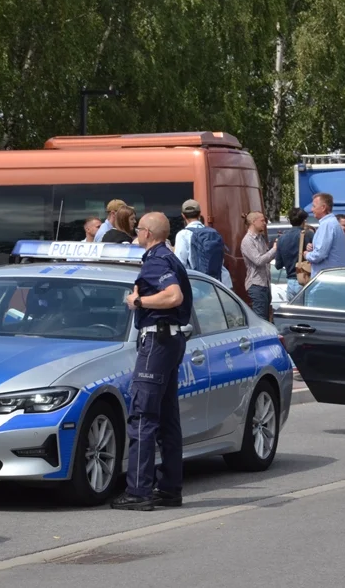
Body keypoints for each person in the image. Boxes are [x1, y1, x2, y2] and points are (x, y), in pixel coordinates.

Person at [111, 212, 193, 511]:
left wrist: (138, 302)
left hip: (157, 342)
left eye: (138, 229)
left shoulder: (156, 260)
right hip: (170, 341)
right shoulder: (168, 257)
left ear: (148, 233)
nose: (136, 232)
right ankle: (169, 489)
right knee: (167, 419)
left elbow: (173, 296)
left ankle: (139, 491)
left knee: (143, 417)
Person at [173, 201, 234, 290]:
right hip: (221, 284)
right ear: (199, 214)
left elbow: (180, 262)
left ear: (183, 215)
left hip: (198, 285)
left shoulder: (183, 234)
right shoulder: (213, 232)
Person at [241, 211, 278, 321]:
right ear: (253, 222)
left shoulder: (260, 238)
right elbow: (258, 260)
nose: (265, 223)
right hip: (256, 284)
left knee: (265, 318)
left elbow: (266, 258)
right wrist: (274, 249)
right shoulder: (247, 241)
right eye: (262, 220)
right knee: (260, 319)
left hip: (265, 284)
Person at [275, 207, 315, 301]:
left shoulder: (281, 239)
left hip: (290, 283)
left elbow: (278, 265)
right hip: (305, 280)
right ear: (304, 220)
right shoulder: (308, 235)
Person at [304, 193, 345, 276]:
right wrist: (313, 247)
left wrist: (307, 254)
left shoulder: (327, 225)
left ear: (323, 207)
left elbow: (319, 254)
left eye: (314, 206)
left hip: (327, 279)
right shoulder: (332, 223)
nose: (311, 209)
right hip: (332, 277)